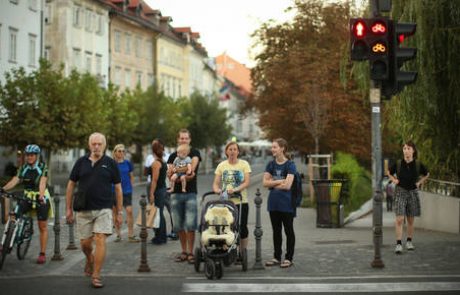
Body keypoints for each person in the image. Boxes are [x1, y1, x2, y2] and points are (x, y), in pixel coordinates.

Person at [65, 132, 122, 288]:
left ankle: (96, 275)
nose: (96, 146)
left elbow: (118, 188)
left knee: (100, 239)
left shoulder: (110, 163)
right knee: (85, 244)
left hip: (104, 208)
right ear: (89, 145)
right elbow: (71, 185)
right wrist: (68, 209)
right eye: (93, 144)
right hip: (83, 209)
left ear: (104, 145)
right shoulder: (81, 162)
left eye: (99, 144)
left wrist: (119, 212)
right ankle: (89, 259)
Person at [1, 144, 52, 264]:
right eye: (27, 155)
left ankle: (42, 253)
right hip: (27, 195)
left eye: (32, 155)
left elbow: (42, 183)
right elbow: (15, 180)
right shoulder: (23, 168)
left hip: (41, 197)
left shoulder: (42, 167)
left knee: (42, 226)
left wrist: (40, 195)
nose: (29, 157)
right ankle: (5, 242)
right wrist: (3, 189)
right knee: (13, 215)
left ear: (36, 156)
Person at [388, 141, 429, 254]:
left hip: (412, 192)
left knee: (410, 220)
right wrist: (394, 180)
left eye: (408, 148)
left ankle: (409, 241)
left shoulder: (418, 164)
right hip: (400, 192)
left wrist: (419, 182)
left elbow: (427, 174)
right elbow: (388, 172)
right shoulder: (398, 163)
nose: (406, 150)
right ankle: (398, 244)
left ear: (413, 151)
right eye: (404, 148)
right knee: (399, 219)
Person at [168, 129, 201, 263]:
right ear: (178, 139)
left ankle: (191, 252)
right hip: (175, 194)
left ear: (190, 140)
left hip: (191, 194)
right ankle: (183, 251)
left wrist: (180, 174)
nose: (183, 140)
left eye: (186, 138)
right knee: (178, 225)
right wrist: (184, 175)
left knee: (191, 224)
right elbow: (170, 174)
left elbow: (192, 170)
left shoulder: (195, 153)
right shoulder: (172, 156)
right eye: (181, 138)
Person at [263, 138, 297, 268]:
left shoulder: (290, 165)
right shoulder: (270, 165)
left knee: (288, 231)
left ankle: (289, 258)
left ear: (282, 148)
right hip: (273, 204)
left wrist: (273, 183)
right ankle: (277, 257)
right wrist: (279, 181)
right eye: (272, 147)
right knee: (276, 231)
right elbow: (265, 183)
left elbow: (288, 186)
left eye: (275, 147)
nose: (272, 149)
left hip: (287, 204)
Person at [212, 141, 251, 254]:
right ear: (226, 152)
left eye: (235, 149)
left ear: (238, 152)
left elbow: (247, 182)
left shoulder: (244, 164)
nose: (232, 151)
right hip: (226, 202)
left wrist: (235, 190)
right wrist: (217, 190)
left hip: (241, 201)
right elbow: (215, 183)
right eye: (230, 149)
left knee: (242, 228)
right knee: (226, 227)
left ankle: (242, 252)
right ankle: (227, 251)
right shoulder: (222, 165)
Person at [112, 144, 138, 242]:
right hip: (114, 191)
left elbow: (131, 176)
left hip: (126, 191)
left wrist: (131, 186)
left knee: (129, 211)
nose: (122, 153)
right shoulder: (112, 164)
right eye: (119, 151)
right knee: (115, 213)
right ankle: (118, 234)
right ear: (115, 152)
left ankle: (131, 234)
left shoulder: (127, 163)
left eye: (123, 151)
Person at [149, 139, 168, 244]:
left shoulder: (156, 163)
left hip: (158, 190)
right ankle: (161, 236)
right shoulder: (163, 161)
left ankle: (160, 237)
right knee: (159, 213)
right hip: (162, 189)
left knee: (158, 214)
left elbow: (154, 180)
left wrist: (151, 193)